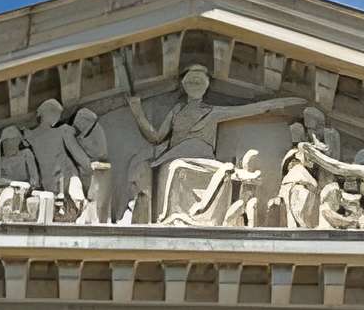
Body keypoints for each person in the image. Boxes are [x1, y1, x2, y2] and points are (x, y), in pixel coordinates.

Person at [122, 61, 297, 222]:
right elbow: (155, 137)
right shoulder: (177, 111)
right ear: (183, 84)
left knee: (178, 166)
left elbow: (247, 110)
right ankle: (168, 217)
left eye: (200, 80)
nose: (195, 83)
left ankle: (176, 216)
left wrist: (276, 104)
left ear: (207, 85)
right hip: (175, 155)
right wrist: (137, 111)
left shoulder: (213, 112)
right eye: (191, 80)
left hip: (201, 157)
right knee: (169, 167)